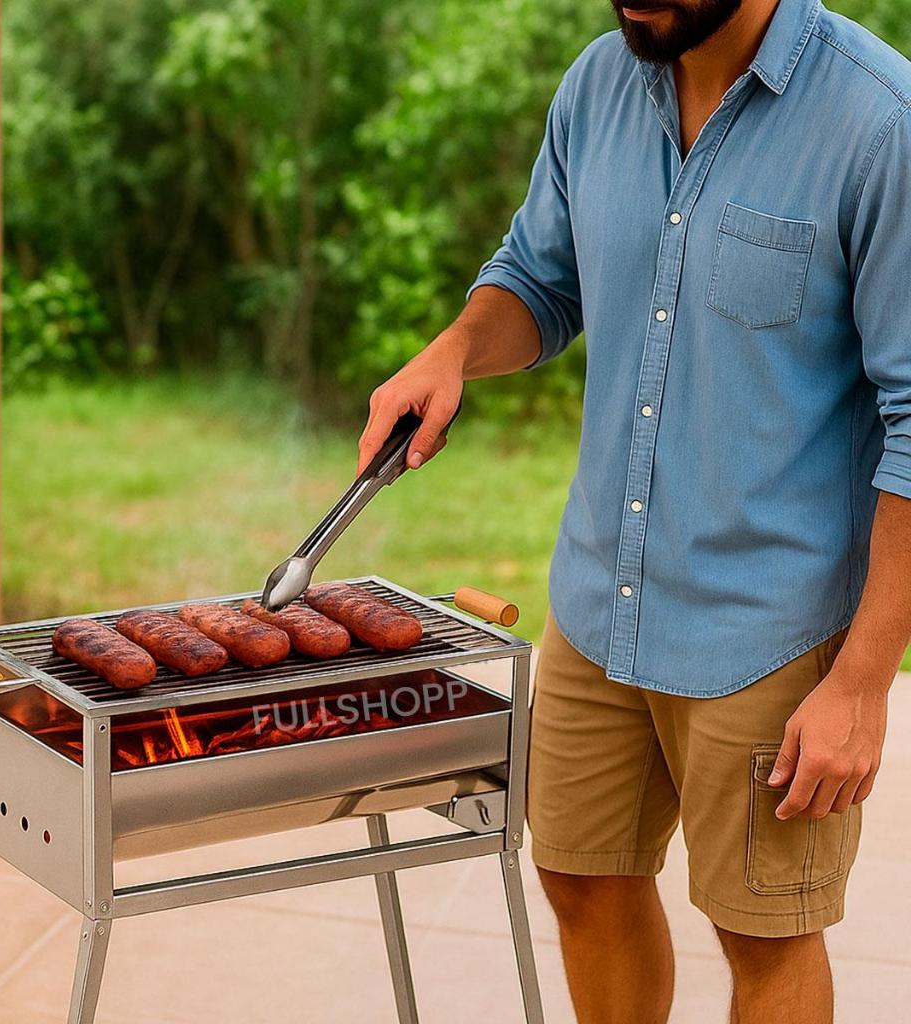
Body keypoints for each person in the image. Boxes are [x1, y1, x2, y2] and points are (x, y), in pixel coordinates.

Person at [356, 0, 911, 1020]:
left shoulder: (880, 124)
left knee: (764, 931)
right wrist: (455, 349)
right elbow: (537, 277)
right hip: (600, 593)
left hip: (768, 626)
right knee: (578, 873)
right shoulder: (598, 82)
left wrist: (865, 681)